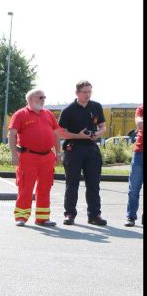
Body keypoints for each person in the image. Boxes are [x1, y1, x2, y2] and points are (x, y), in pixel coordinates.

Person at [8, 88, 62, 227]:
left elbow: (56, 135)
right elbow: (12, 135)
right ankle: (21, 217)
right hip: (27, 157)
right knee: (25, 187)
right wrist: (14, 155)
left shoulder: (48, 114)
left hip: (47, 157)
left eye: (44, 97)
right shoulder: (20, 114)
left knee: (45, 187)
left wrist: (58, 154)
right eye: (40, 97)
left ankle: (43, 218)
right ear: (31, 99)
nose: (43, 100)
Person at [58, 81, 107, 226]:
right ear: (77, 93)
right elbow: (61, 133)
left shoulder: (96, 106)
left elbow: (102, 126)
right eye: (84, 92)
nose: (87, 94)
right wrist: (79, 135)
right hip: (74, 149)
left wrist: (97, 133)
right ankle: (70, 214)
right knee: (72, 183)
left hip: (91, 148)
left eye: (89, 91)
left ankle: (94, 215)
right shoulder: (68, 110)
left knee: (93, 184)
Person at [125, 104, 143, 227]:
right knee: (134, 188)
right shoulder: (141, 108)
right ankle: (131, 216)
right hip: (140, 153)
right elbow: (140, 124)